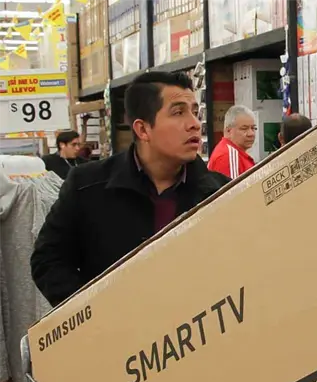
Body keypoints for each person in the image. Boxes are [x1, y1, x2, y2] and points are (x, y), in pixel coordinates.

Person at [31, 71, 230, 307]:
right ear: (143, 129)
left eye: (195, 112)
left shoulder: (221, 192)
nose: (195, 124)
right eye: (178, 113)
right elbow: (48, 260)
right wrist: (91, 312)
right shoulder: (86, 185)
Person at [208, 105, 257, 179]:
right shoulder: (228, 156)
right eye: (244, 129)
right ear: (228, 131)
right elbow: (233, 186)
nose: (251, 134)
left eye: (253, 128)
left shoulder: (231, 153)